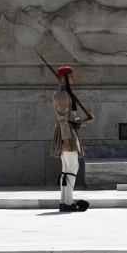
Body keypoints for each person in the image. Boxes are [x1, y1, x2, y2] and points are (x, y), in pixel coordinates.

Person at [51, 66, 95, 212]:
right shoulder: (63, 94)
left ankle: (64, 201)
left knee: (66, 168)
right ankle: (68, 202)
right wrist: (67, 140)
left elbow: (69, 118)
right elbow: (63, 119)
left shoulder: (65, 92)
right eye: (71, 76)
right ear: (64, 78)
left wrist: (84, 121)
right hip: (67, 133)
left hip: (68, 130)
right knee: (72, 167)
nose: (74, 78)